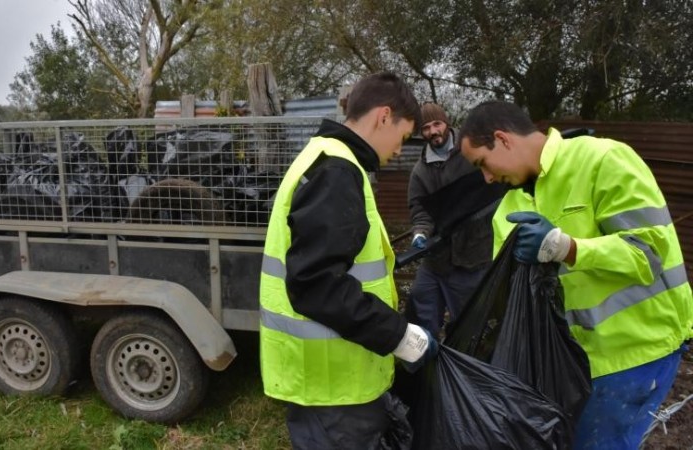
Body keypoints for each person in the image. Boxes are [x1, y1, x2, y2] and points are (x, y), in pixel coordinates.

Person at [458, 100, 693, 450]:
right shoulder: (508, 210)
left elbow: (650, 253)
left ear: (503, 139)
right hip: (569, 365)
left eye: (483, 164)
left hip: (635, 354)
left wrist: (567, 247)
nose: (487, 178)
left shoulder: (603, 160)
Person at [259, 72, 439, 449]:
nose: (396, 152)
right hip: (335, 392)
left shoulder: (325, 158)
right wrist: (398, 335)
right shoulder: (337, 171)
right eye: (403, 137)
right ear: (383, 116)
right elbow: (315, 283)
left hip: (327, 383)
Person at [406, 102, 505, 336]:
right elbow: (420, 211)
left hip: (473, 256)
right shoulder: (420, 172)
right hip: (436, 259)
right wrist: (420, 233)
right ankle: (423, 363)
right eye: (426, 127)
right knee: (420, 311)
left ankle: (466, 366)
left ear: (446, 123)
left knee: (469, 323)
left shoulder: (472, 154)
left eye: (437, 124)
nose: (433, 131)